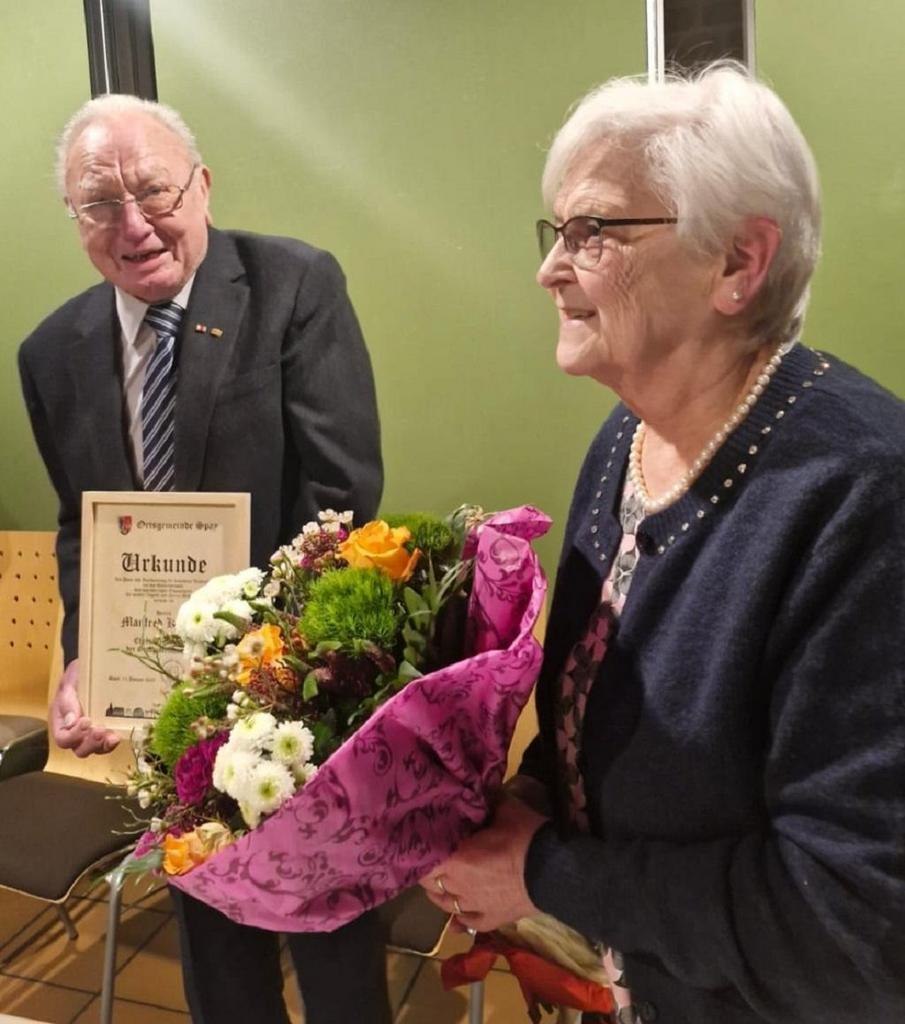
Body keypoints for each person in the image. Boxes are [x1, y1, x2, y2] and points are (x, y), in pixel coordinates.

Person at [421, 64, 905, 1023]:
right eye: (555, 231)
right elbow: (583, 709)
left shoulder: (862, 497)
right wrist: (513, 808)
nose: (550, 269)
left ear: (738, 262)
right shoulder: (628, 437)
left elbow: (856, 920)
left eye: (594, 231)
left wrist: (543, 873)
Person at [19, 93, 390, 1024]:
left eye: (154, 191)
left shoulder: (294, 286)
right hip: (171, 713)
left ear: (202, 185)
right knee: (215, 951)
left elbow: (341, 496)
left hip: (296, 695)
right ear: (75, 220)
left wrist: (260, 659)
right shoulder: (51, 351)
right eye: (101, 205)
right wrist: (88, 660)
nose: (134, 225)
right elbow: (82, 524)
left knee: (330, 949)